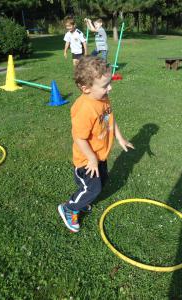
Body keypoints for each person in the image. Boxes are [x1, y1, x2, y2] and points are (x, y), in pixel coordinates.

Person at [58, 56, 134, 233]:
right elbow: (79, 138)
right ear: (85, 88)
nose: (110, 88)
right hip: (87, 160)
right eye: (105, 85)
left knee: (102, 181)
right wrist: (91, 158)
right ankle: (69, 208)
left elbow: (110, 119)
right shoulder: (85, 108)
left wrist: (120, 138)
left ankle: (82, 201)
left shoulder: (103, 98)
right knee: (93, 187)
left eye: (109, 83)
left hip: (100, 155)